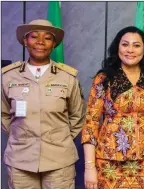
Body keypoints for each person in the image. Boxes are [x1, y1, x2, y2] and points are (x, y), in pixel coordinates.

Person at [81, 26, 144, 189]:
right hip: (111, 163)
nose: (130, 50)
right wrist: (89, 167)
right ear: (117, 47)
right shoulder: (104, 79)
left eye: (136, 45)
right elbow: (91, 124)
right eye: (125, 44)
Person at [1, 19, 85, 189]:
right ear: (25, 41)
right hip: (21, 159)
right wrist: (22, 135)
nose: (40, 42)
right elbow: (3, 114)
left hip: (59, 159)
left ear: (53, 44)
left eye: (47, 38)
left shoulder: (67, 77)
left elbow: (77, 115)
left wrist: (59, 138)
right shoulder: (8, 77)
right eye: (34, 36)